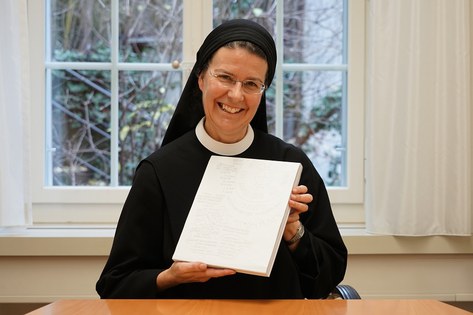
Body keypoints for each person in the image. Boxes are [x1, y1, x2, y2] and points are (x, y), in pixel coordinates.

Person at [96, 19, 347, 299]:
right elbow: (114, 284)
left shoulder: (290, 165)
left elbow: (329, 278)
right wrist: (170, 277)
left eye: (251, 83)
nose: (236, 95)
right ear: (201, 78)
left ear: (263, 91)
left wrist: (293, 231)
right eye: (225, 77)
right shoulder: (159, 171)